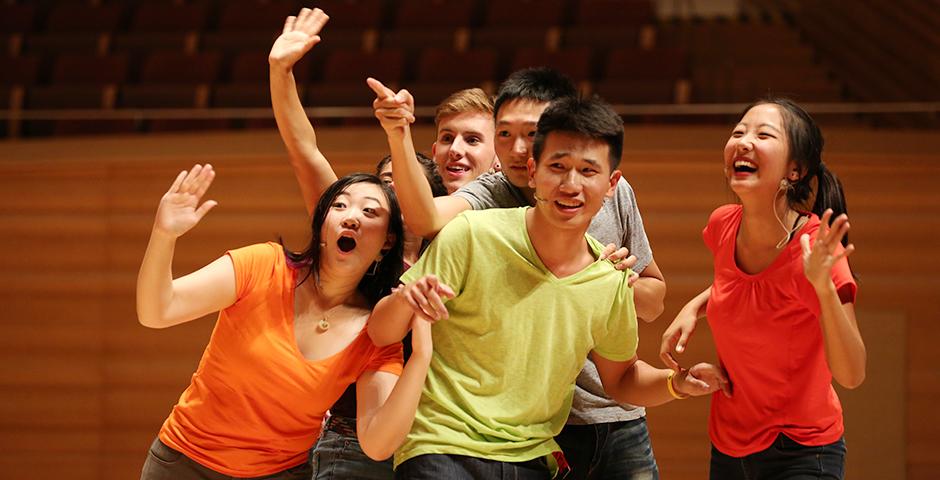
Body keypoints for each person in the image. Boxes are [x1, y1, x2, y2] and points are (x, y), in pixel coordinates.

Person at [369, 96, 726, 479]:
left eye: (588, 171)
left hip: (532, 459)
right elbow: (380, 331)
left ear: (611, 184)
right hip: (441, 447)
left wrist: (677, 383)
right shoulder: (471, 233)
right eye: (558, 167)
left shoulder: (609, 280)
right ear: (534, 171)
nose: (571, 185)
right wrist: (407, 299)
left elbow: (622, 379)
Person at [136, 164, 435, 479]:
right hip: (184, 462)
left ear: (387, 242)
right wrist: (163, 235)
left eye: (370, 212)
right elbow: (157, 311)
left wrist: (422, 354)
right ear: (321, 224)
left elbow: (377, 444)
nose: (351, 217)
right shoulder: (263, 266)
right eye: (339, 205)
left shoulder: (373, 334)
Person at [267, 8, 448, 479]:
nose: (388, 196)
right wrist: (281, 71)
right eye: (383, 184)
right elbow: (303, 148)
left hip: (437, 437)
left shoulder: (453, 247)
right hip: (352, 436)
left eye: (403, 188)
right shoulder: (351, 232)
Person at [660, 98, 866, 480]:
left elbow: (853, 373)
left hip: (802, 451)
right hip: (727, 446)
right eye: (738, 131)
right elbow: (743, 286)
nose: (743, 141)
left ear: (795, 170)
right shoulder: (722, 225)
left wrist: (822, 288)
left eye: (763, 134)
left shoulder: (817, 248)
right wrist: (694, 306)